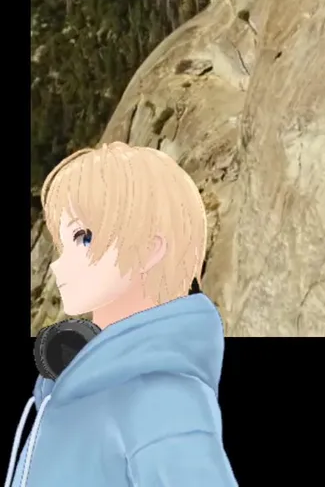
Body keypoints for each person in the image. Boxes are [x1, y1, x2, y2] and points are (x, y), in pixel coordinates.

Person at [6, 143, 237, 487]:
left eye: (83, 238)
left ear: (149, 250)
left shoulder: (165, 401)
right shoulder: (69, 391)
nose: (58, 264)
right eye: (61, 245)